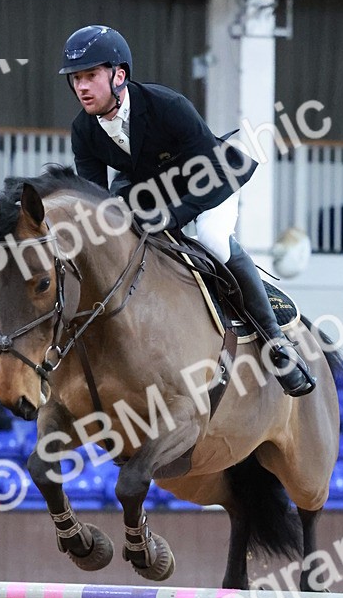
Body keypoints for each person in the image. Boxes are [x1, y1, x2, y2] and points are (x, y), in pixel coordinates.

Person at [59, 24, 315, 397]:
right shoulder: (83, 129)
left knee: (212, 239)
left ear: (119, 75)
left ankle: (277, 343)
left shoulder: (167, 106)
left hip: (210, 179)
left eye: (90, 76)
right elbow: (94, 198)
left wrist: (172, 218)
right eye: (76, 78)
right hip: (150, 190)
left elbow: (212, 174)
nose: (81, 86)